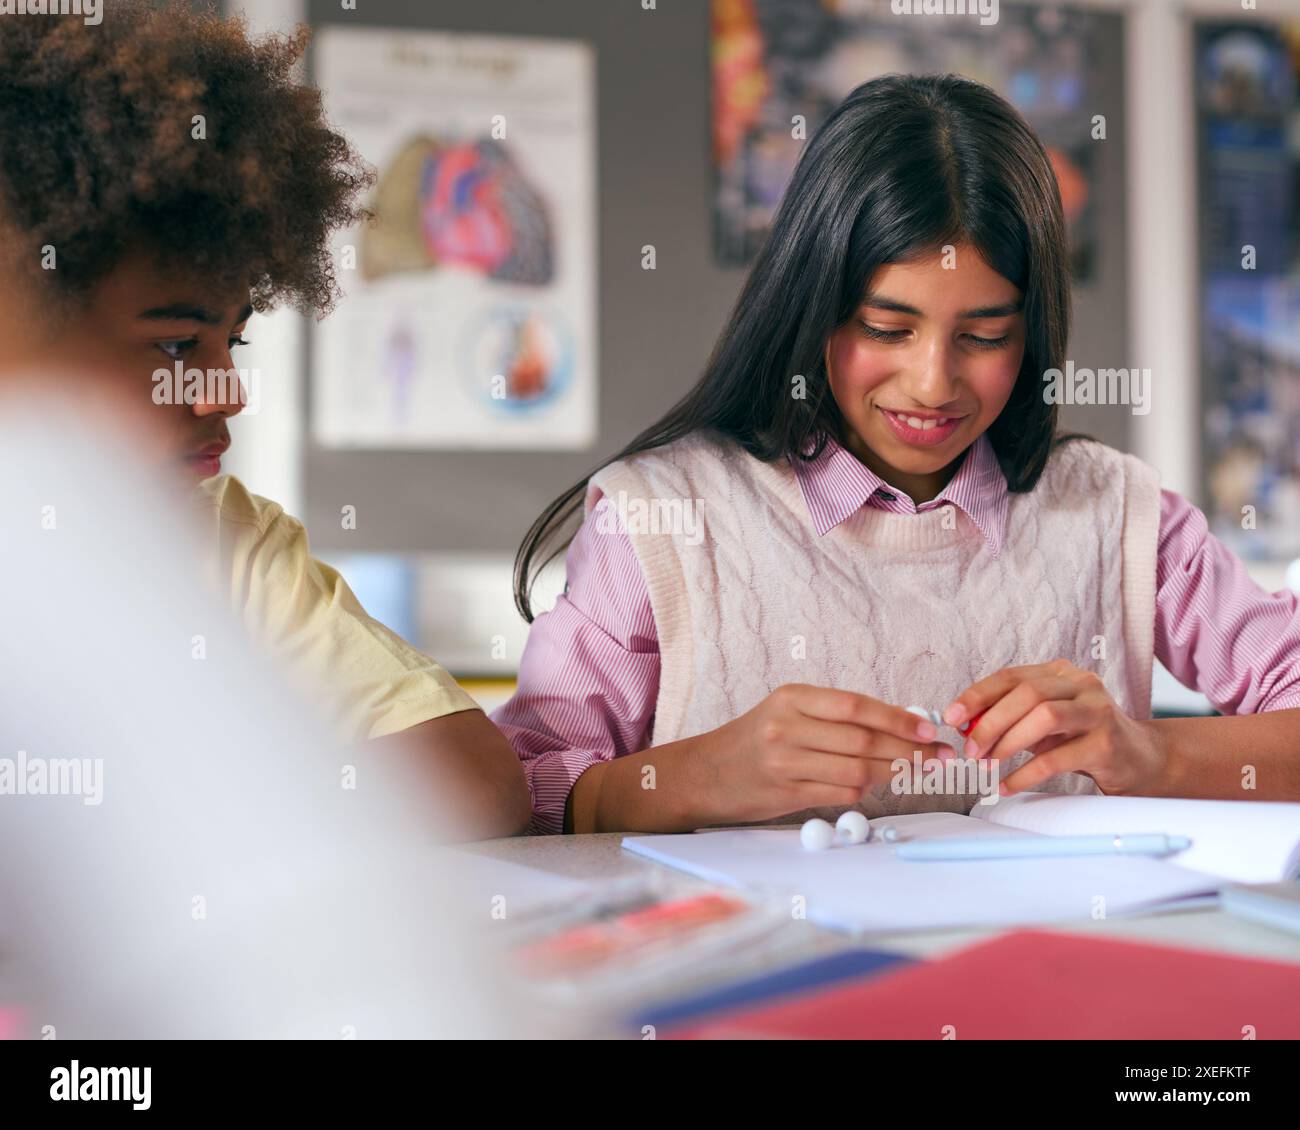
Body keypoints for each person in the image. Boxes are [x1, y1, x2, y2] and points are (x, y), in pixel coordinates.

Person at [497, 74, 1300, 834]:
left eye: (985, 337)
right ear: (811, 307)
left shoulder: (1117, 514)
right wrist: (698, 773)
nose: (932, 382)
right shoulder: (661, 522)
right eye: (887, 329)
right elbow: (514, 798)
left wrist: (1151, 752)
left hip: (1047, 967)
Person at [0, 0, 528, 840]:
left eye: (232, 338)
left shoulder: (227, 540)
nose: (227, 393)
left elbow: (477, 787)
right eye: (175, 345)